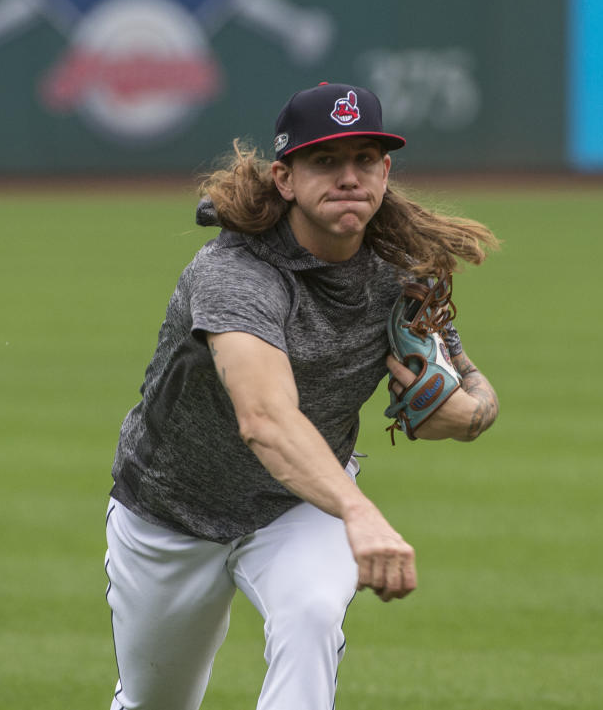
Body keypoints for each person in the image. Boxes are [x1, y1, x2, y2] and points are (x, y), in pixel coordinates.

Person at [104, 82, 500, 710]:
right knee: (156, 703)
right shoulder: (233, 275)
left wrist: (471, 413)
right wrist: (360, 512)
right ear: (285, 179)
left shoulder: (404, 271)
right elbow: (265, 419)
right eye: (326, 161)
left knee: (313, 615)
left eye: (365, 159)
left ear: (386, 170)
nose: (349, 177)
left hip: (300, 506)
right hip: (170, 511)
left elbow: (472, 383)